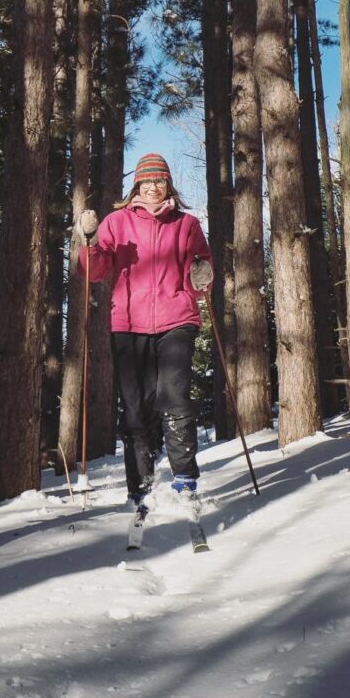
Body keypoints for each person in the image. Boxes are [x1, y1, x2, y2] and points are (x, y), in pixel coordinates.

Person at [76, 153, 214, 507]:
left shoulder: (186, 224)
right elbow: (95, 270)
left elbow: (201, 271)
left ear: (169, 185)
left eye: (160, 181)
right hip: (129, 324)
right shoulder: (116, 222)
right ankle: (140, 482)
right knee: (135, 408)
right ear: (136, 185)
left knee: (175, 397)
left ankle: (185, 478)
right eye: (147, 181)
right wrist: (89, 243)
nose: (154, 187)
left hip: (176, 320)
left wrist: (201, 276)